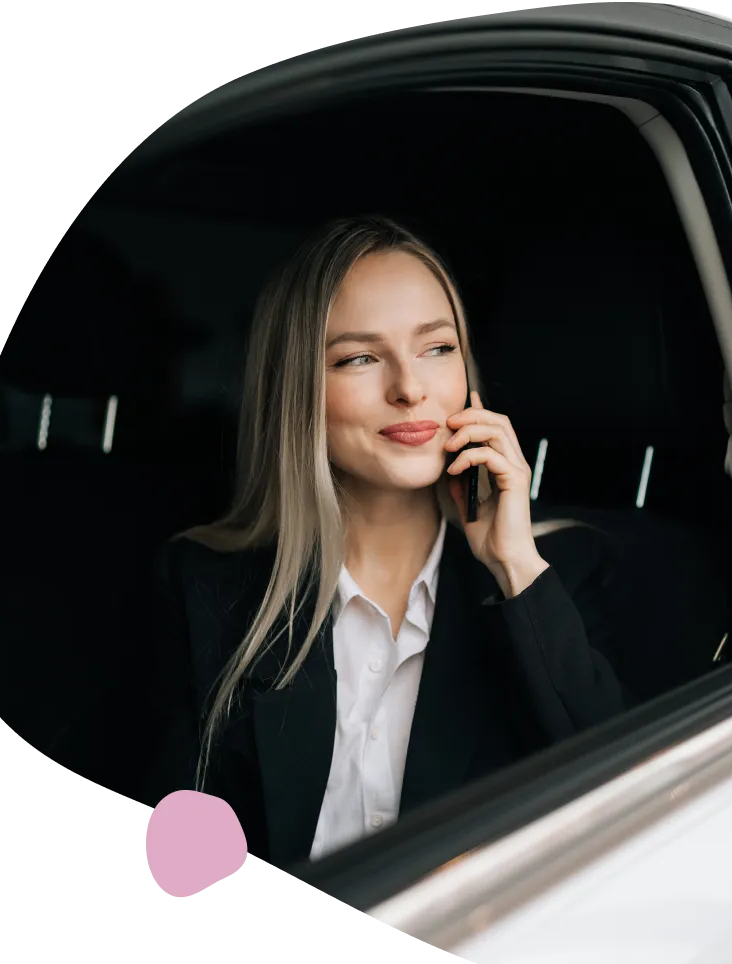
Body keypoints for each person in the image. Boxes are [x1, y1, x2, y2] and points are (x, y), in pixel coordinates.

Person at [145, 216, 627, 868]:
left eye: (436, 348)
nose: (410, 387)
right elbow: (179, 865)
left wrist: (512, 564)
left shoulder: (556, 575)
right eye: (360, 358)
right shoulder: (207, 583)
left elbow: (625, 811)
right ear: (298, 392)